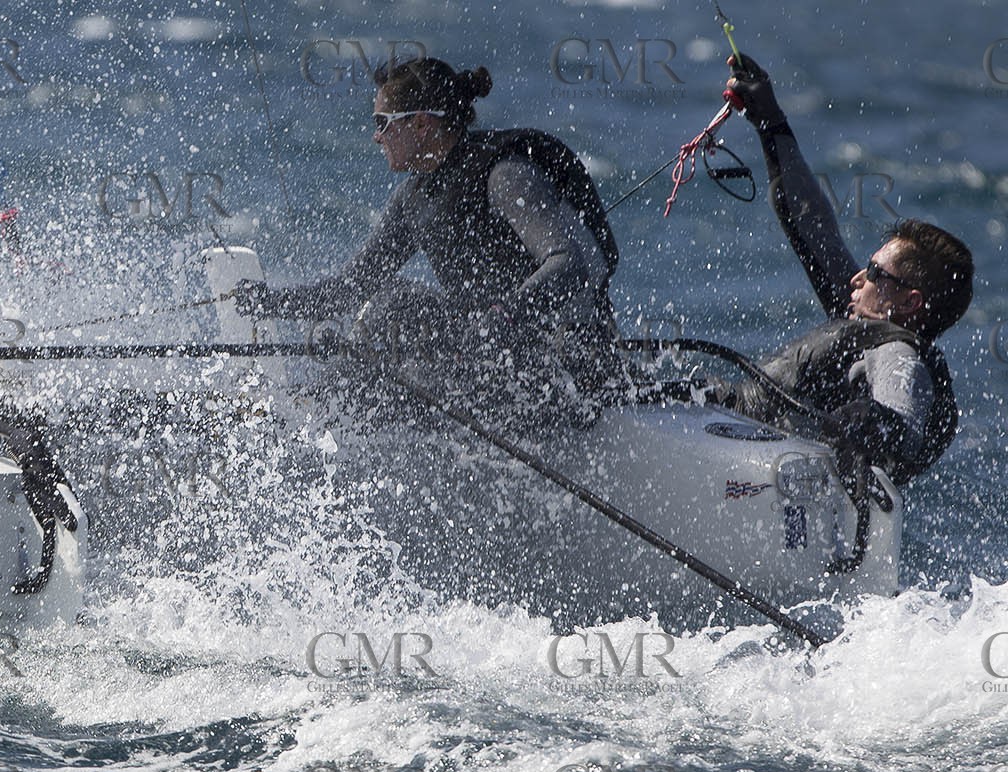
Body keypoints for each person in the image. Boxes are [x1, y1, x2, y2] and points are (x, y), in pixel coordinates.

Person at [232, 57, 628, 425]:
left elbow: (567, 262)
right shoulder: (413, 199)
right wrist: (269, 303)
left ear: (422, 123)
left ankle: (313, 417)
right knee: (396, 312)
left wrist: (504, 318)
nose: (375, 136)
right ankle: (317, 415)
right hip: (488, 365)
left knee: (399, 303)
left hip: (565, 376)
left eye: (383, 122)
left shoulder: (505, 175)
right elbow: (350, 290)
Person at [712, 54, 973, 485]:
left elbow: (902, 421)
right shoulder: (861, 319)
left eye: (874, 273)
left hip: (757, 478)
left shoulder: (898, 356)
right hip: (723, 426)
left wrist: (872, 423)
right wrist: (770, 121)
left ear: (909, 302)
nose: (857, 277)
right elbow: (812, 223)